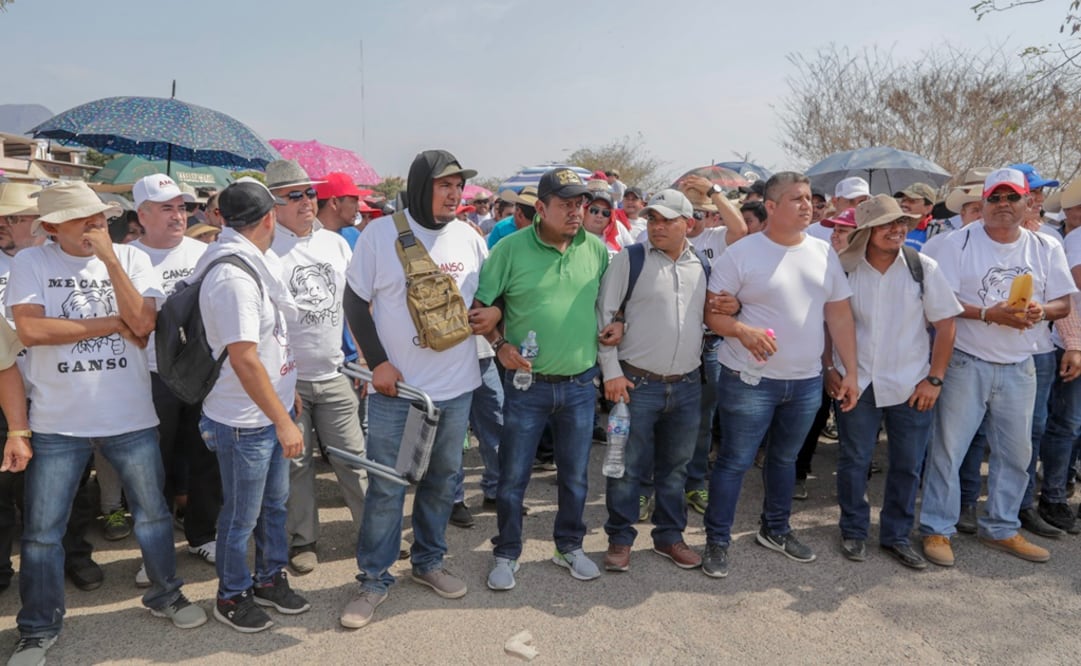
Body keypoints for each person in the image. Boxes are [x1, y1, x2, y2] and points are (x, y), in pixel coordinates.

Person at [6, 182, 206, 664]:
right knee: (41, 532)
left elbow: (141, 323)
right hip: (56, 421)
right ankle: (37, 626)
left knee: (154, 515)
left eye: (98, 216)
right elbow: (31, 329)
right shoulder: (31, 263)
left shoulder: (132, 259)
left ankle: (165, 593)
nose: (95, 225)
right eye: (82, 219)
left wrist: (112, 262)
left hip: (130, 416)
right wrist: (109, 324)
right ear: (51, 227)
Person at [341, 150, 488, 629]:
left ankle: (428, 562)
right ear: (421, 185)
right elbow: (355, 302)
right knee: (387, 486)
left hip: (458, 387)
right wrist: (378, 362)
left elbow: (486, 298)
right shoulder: (381, 235)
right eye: (444, 185)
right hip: (398, 393)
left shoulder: (470, 237)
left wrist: (497, 316)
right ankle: (374, 579)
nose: (453, 194)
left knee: (443, 481)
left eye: (458, 186)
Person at [701, 172, 859, 579]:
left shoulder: (823, 253)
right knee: (734, 462)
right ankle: (717, 541)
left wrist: (850, 371)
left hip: (805, 382)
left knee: (785, 461)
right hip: (750, 380)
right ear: (771, 207)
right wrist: (741, 330)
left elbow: (839, 315)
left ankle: (775, 529)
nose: (807, 205)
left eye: (808, 198)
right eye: (796, 199)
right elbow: (712, 314)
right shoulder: (743, 253)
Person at [918, 168, 1075, 567]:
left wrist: (1041, 312)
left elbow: (1064, 303)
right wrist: (991, 313)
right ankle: (937, 527)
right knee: (948, 450)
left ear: (1028, 204)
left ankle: (1001, 527)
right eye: (995, 198)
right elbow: (942, 304)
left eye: (1012, 198)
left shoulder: (1046, 245)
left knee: (1016, 453)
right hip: (966, 362)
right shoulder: (956, 243)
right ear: (983, 203)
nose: (1003, 205)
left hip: (1021, 364)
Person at [476, 167, 610, 591]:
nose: (576, 212)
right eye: (566, 205)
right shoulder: (510, 250)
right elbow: (482, 310)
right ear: (541, 208)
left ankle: (568, 546)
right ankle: (507, 552)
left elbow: (608, 307)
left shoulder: (597, 250)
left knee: (575, 476)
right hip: (526, 386)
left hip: (578, 386)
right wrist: (500, 345)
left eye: (580, 204)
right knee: (513, 477)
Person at [193, 178, 310, 633]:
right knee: (241, 515)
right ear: (268, 218)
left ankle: (268, 578)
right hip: (245, 420)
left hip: (268, 409)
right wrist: (283, 420)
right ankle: (231, 593)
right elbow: (242, 358)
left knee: (274, 505)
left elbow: (267, 343)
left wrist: (287, 390)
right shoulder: (233, 276)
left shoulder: (252, 261)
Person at [833, 195, 962, 568]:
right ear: (866, 231)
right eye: (887, 223)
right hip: (858, 383)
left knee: (907, 464)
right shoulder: (844, 269)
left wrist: (934, 380)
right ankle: (854, 531)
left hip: (911, 384)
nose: (897, 229)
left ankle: (896, 536)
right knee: (855, 460)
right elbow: (829, 323)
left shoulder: (923, 267)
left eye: (901, 222)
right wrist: (831, 369)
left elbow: (946, 325)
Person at [263, 160, 370, 575]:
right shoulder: (267, 248)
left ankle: (372, 533)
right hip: (290, 380)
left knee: (353, 459)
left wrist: (362, 358)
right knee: (297, 466)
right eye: (295, 195)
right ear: (273, 204)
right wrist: (281, 380)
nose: (307, 201)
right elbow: (266, 324)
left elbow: (354, 307)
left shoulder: (338, 243)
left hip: (336, 373)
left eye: (310, 193)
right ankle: (303, 540)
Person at [596, 189, 707, 572]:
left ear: (688, 224)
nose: (657, 227)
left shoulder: (702, 265)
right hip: (636, 386)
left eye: (667, 220)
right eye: (653, 219)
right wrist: (611, 373)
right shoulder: (632, 258)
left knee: (676, 469)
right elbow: (604, 316)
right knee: (627, 467)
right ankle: (620, 538)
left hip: (688, 385)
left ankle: (669, 537)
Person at [128, 175, 222, 574]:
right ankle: (156, 549)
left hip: (202, 377)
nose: (177, 215)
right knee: (155, 466)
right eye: (166, 208)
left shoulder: (204, 253)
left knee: (205, 458)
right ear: (142, 214)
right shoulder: (124, 257)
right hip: (150, 377)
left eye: (181, 207)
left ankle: (202, 536)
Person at [315, 171, 367, 248]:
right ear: (334, 203)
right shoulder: (302, 237)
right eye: (354, 201)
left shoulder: (355, 236)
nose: (358, 208)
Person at [893, 183, 937, 251]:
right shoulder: (889, 226)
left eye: (912, 201)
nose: (904, 204)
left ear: (928, 208)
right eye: (903, 200)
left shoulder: (936, 233)